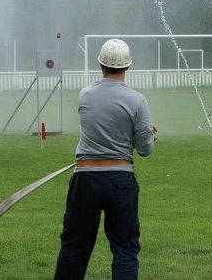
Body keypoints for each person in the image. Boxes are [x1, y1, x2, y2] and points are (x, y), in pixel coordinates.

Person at [54, 39, 157, 280]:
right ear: (127, 67)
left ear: (101, 65)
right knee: (125, 250)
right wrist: (146, 132)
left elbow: (102, 125)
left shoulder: (85, 94)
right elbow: (144, 150)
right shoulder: (137, 100)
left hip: (85, 179)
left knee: (74, 247)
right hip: (120, 180)